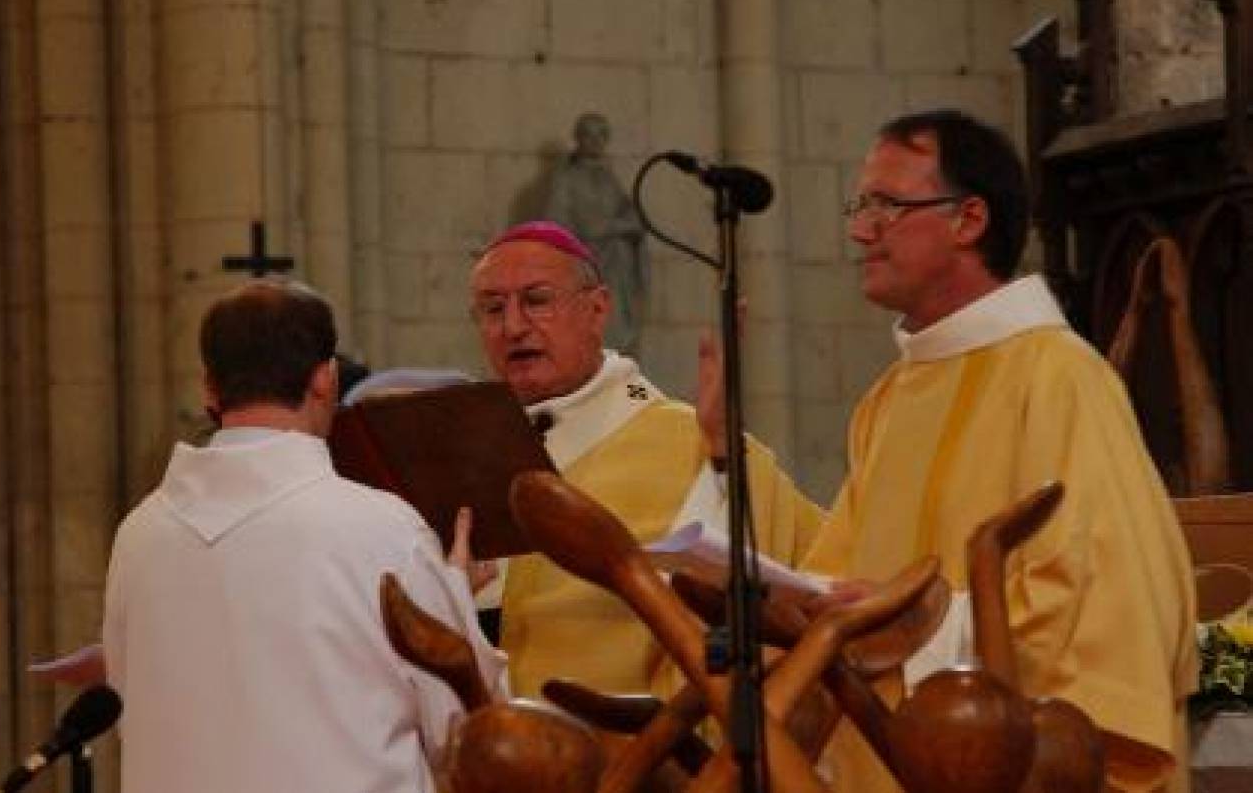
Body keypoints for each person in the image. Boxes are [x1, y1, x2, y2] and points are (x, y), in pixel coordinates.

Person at [801, 110, 1197, 792]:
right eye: (860, 206)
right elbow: (836, 577)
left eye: (886, 206)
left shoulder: (1059, 377)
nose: (860, 230)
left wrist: (917, 632)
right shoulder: (888, 399)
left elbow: (1103, 608)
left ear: (968, 220)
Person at [102, 280, 506, 793]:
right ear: (325, 379)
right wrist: (455, 600)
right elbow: (469, 737)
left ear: (209, 387)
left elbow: (129, 711)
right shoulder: (385, 532)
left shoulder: (137, 537)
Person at [469, 221, 822, 699]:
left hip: (638, 746)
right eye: (493, 309)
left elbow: (798, 582)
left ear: (597, 310)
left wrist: (724, 453)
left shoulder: (685, 439)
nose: (512, 326)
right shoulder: (466, 453)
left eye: (536, 301)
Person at [541, 112, 649, 354]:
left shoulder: (609, 177)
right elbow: (556, 226)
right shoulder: (566, 180)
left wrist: (628, 228)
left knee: (617, 335)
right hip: (586, 265)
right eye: (590, 135)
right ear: (579, 138)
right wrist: (604, 231)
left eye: (601, 135)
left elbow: (630, 215)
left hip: (616, 270)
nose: (596, 141)